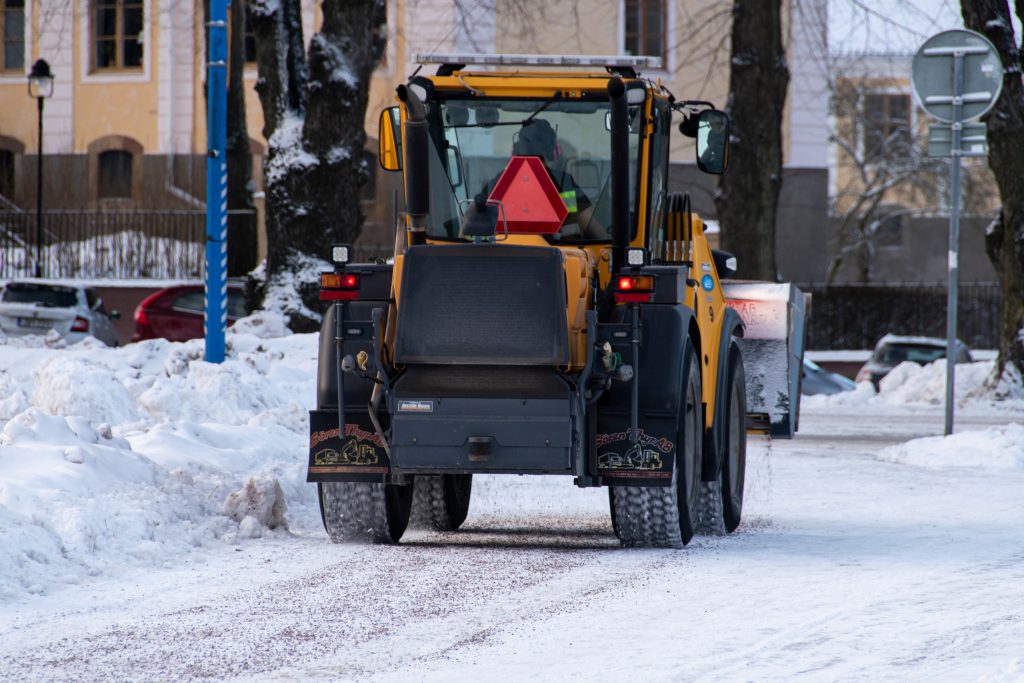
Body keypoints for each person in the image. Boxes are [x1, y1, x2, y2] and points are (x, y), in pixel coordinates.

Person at [481, 118, 606, 239]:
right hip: (560, 256)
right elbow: (593, 229)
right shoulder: (563, 183)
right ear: (554, 152)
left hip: (503, 256)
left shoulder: (497, 184)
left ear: (515, 150)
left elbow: (469, 231)